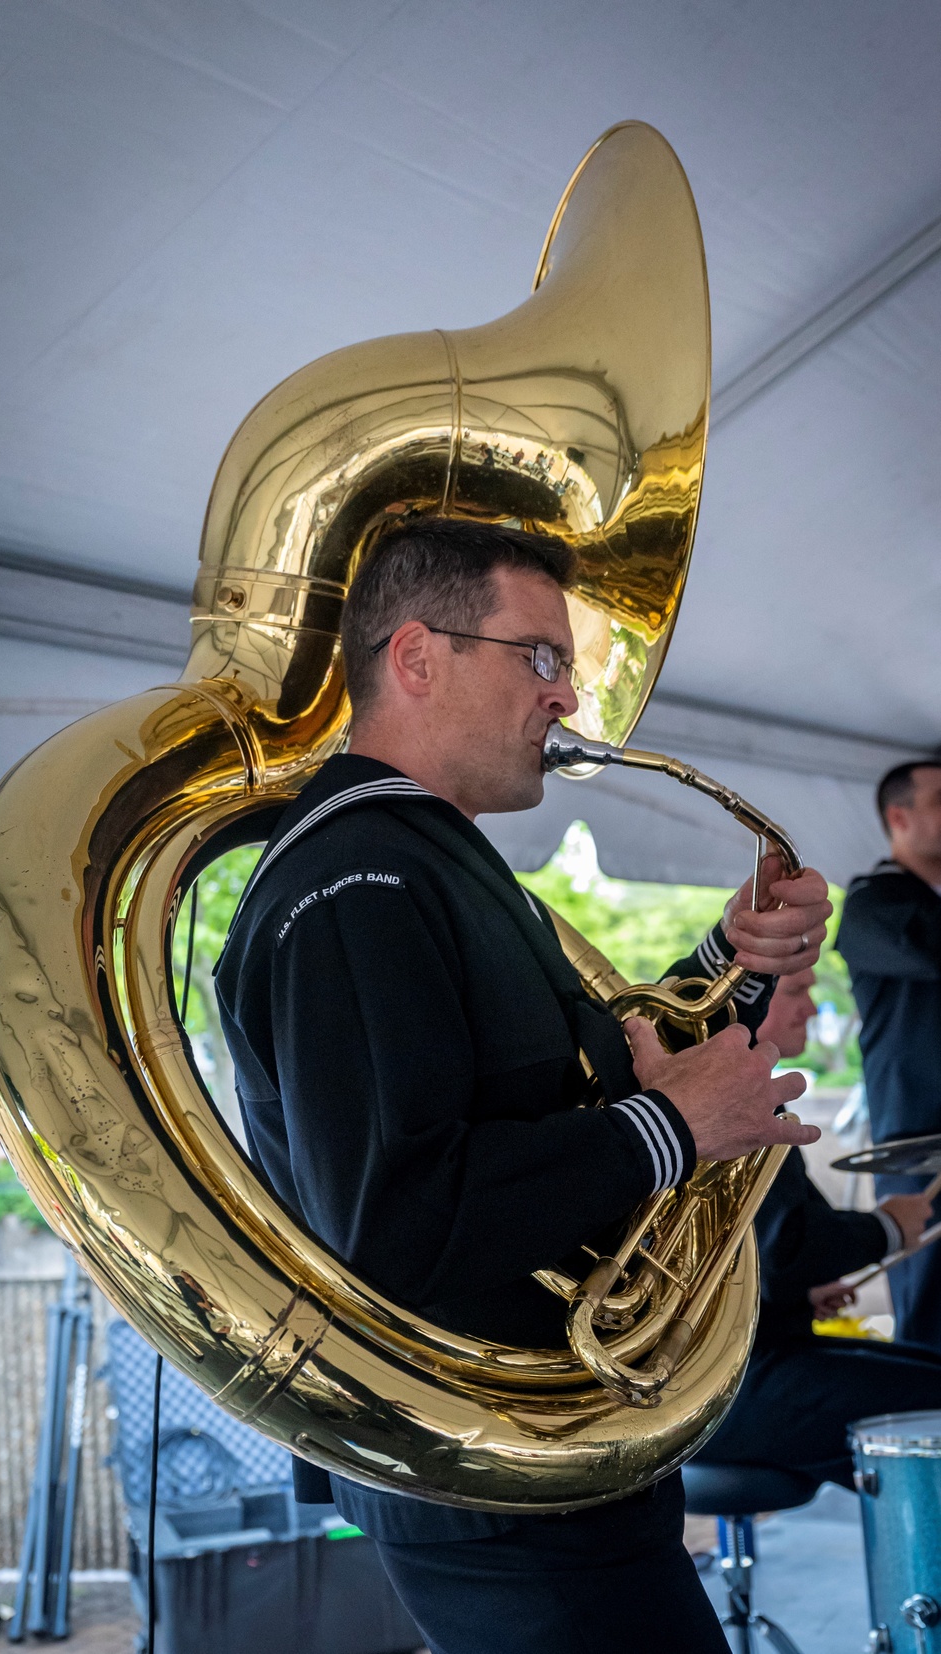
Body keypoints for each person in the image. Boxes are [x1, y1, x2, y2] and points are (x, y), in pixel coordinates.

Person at [215, 517, 831, 1654]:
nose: (568, 699)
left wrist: (731, 965)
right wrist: (672, 1126)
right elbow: (400, 1220)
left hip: (535, 1479)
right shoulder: (360, 876)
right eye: (541, 657)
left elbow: (576, 1070)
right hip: (497, 1493)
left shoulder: (417, 856)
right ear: (415, 656)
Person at [694, 968, 941, 1490]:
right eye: (797, 991)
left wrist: (796, 1293)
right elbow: (791, 1245)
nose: (810, 1007)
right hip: (723, 1390)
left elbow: (760, 1257)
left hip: (749, 1362)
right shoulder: (735, 1106)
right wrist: (886, 1229)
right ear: (746, 1004)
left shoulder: (736, 1098)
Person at [837, 759, 941, 1350]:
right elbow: (928, 944)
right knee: (931, 1310)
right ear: (898, 818)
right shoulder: (873, 902)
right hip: (919, 1141)